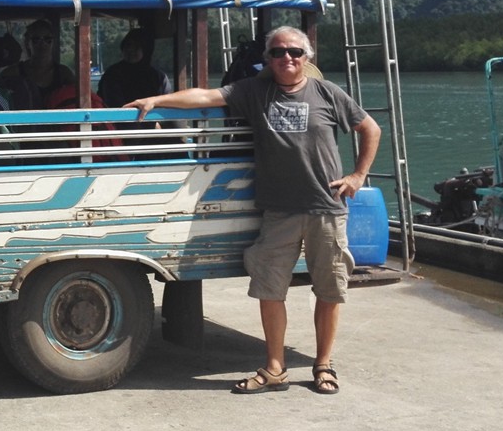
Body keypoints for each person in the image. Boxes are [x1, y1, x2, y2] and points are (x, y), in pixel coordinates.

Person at [131, 25, 380, 396]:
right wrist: (157, 100)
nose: (287, 58)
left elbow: (370, 128)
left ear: (306, 56)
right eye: (278, 52)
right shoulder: (253, 91)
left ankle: (323, 365)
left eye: (294, 51)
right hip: (278, 212)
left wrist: (358, 175)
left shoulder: (328, 92)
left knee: (329, 291)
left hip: (326, 208)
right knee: (270, 290)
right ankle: (275, 368)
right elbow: (206, 96)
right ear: (268, 59)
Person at [97, 28, 170, 108]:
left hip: (154, 119)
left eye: (136, 47)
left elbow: (166, 104)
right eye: (128, 45)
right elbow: (114, 104)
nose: (130, 50)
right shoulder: (112, 75)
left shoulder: (158, 77)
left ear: (146, 50)